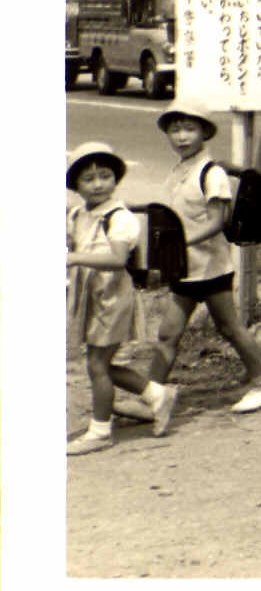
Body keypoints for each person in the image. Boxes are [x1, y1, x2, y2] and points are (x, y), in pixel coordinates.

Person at [142, 105, 261, 424]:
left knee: (230, 328)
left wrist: (181, 242)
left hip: (211, 269)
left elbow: (218, 221)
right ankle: (153, 397)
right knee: (167, 333)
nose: (182, 136)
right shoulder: (179, 170)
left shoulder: (211, 173)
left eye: (189, 129)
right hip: (184, 268)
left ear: (204, 132)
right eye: (175, 130)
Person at [66, 142, 159, 453]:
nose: (98, 184)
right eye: (88, 179)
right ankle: (157, 395)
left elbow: (118, 259)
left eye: (105, 176)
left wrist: (74, 258)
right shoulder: (78, 213)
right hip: (92, 295)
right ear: (76, 185)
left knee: (97, 364)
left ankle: (100, 431)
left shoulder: (119, 217)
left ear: (115, 179)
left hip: (113, 295)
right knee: (99, 363)